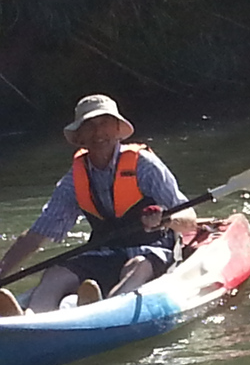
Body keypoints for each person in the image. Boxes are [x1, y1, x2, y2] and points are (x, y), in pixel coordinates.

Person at [0, 94, 197, 316]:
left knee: (138, 266)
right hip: (106, 253)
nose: (98, 132)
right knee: (55, 273)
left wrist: (167, 219)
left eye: (104, 123)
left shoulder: (145, 166)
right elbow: (38, 234)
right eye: (90, 126)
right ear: (80, 137)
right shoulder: (73, 181)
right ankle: (30, 318)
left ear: (116, 130)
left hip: (151, 249)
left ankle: (103, 311)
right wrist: (2, 271)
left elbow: (190, 221)